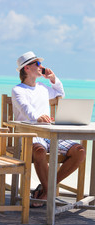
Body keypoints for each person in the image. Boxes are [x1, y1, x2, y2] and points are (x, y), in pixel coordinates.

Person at [12, 51, 86, 207]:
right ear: (26, 68)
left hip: (49, 135)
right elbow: (26, 109)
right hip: (29, 134)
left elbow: (60, 94)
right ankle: (49, 193)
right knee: (39, 151)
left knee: (79, 151)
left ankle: (45, 191)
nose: (41, 67)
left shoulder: (43, 88)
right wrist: (38, 117)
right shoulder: (18, 90)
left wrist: (53, 79)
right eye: (37, 64)